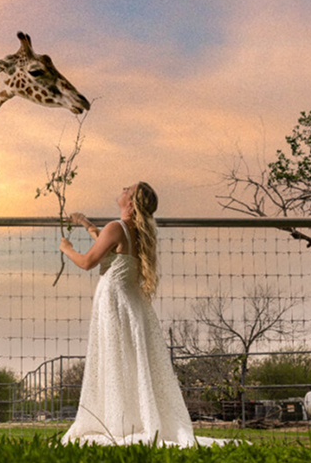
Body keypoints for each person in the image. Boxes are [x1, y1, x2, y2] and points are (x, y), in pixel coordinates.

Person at [57, 181, 217, 447]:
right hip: (131, 302)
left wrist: (67, 249)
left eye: (127, 188)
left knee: (115, 358)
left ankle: (118, 420)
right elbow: (105, 240)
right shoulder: (136, 232)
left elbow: (87, 262)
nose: (121, 187)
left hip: (113, 299)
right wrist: (84, 222)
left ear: (130, 204)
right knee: (130, 360)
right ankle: (130, 418)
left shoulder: (116, 228)